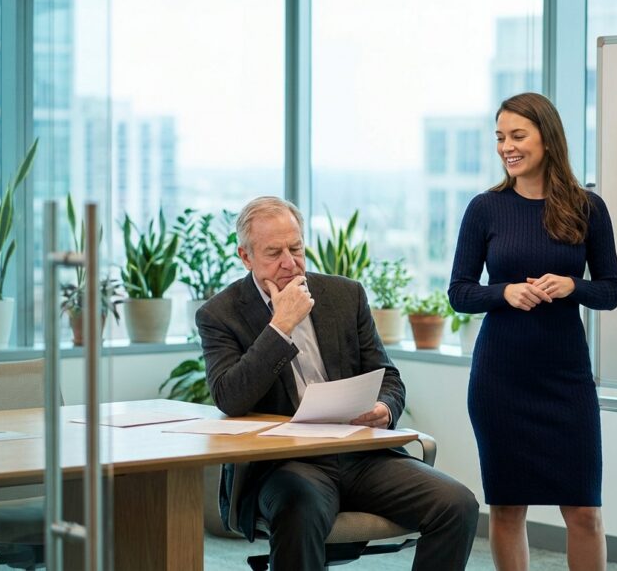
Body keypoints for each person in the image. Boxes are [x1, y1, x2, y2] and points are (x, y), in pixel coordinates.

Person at [196, 196, 479, 571]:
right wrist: (280, 326)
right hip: (286, 464)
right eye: (273, 253)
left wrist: (383, 408)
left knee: (456, 504)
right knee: (300, 509)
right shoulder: (220, 314)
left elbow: (388, 376)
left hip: (359, 454)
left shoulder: (345, 295)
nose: (289, 263)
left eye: (296, 248)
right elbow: (231, 397)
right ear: (246, 257)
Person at [448, 92, 617, 571]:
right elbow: (459, 292)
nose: (507, 146)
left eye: (518, 135)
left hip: (565, 377)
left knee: (584, 509)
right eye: (500, 137)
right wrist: (502, 293)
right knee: (507, 507)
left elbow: (610, 291)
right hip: (501, 378)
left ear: (547, 138)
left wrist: (572, 285)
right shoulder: (485, 208)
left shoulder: (588, 208)